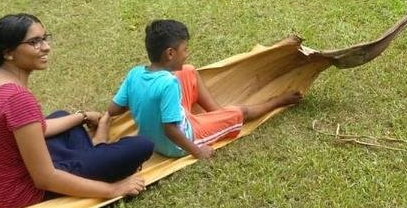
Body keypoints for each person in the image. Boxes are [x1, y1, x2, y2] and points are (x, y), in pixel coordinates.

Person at [0, 14, 153, 208]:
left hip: (6, 181)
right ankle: (98, 147)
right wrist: (113, 190)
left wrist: (81, 116)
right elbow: (44, 179)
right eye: (34, 42)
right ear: (9, 53)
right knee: (141, 145)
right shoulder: (15, 97)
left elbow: (37, 129)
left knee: (63, 117)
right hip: (19, 196)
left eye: (44, 38)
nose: (46, 47)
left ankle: (93, 152)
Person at [108, 20, 302, 160]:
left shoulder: (135, 74)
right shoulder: (168, 84)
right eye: (185, 50)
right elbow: (171, 130)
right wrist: (197, 151)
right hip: (178, 143)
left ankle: (217, 115)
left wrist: (136, 101)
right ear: (170, 53)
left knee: (189, 71)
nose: (187, 54)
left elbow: (114, 110)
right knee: (239, 112)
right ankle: (278, 100)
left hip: (151, 138)